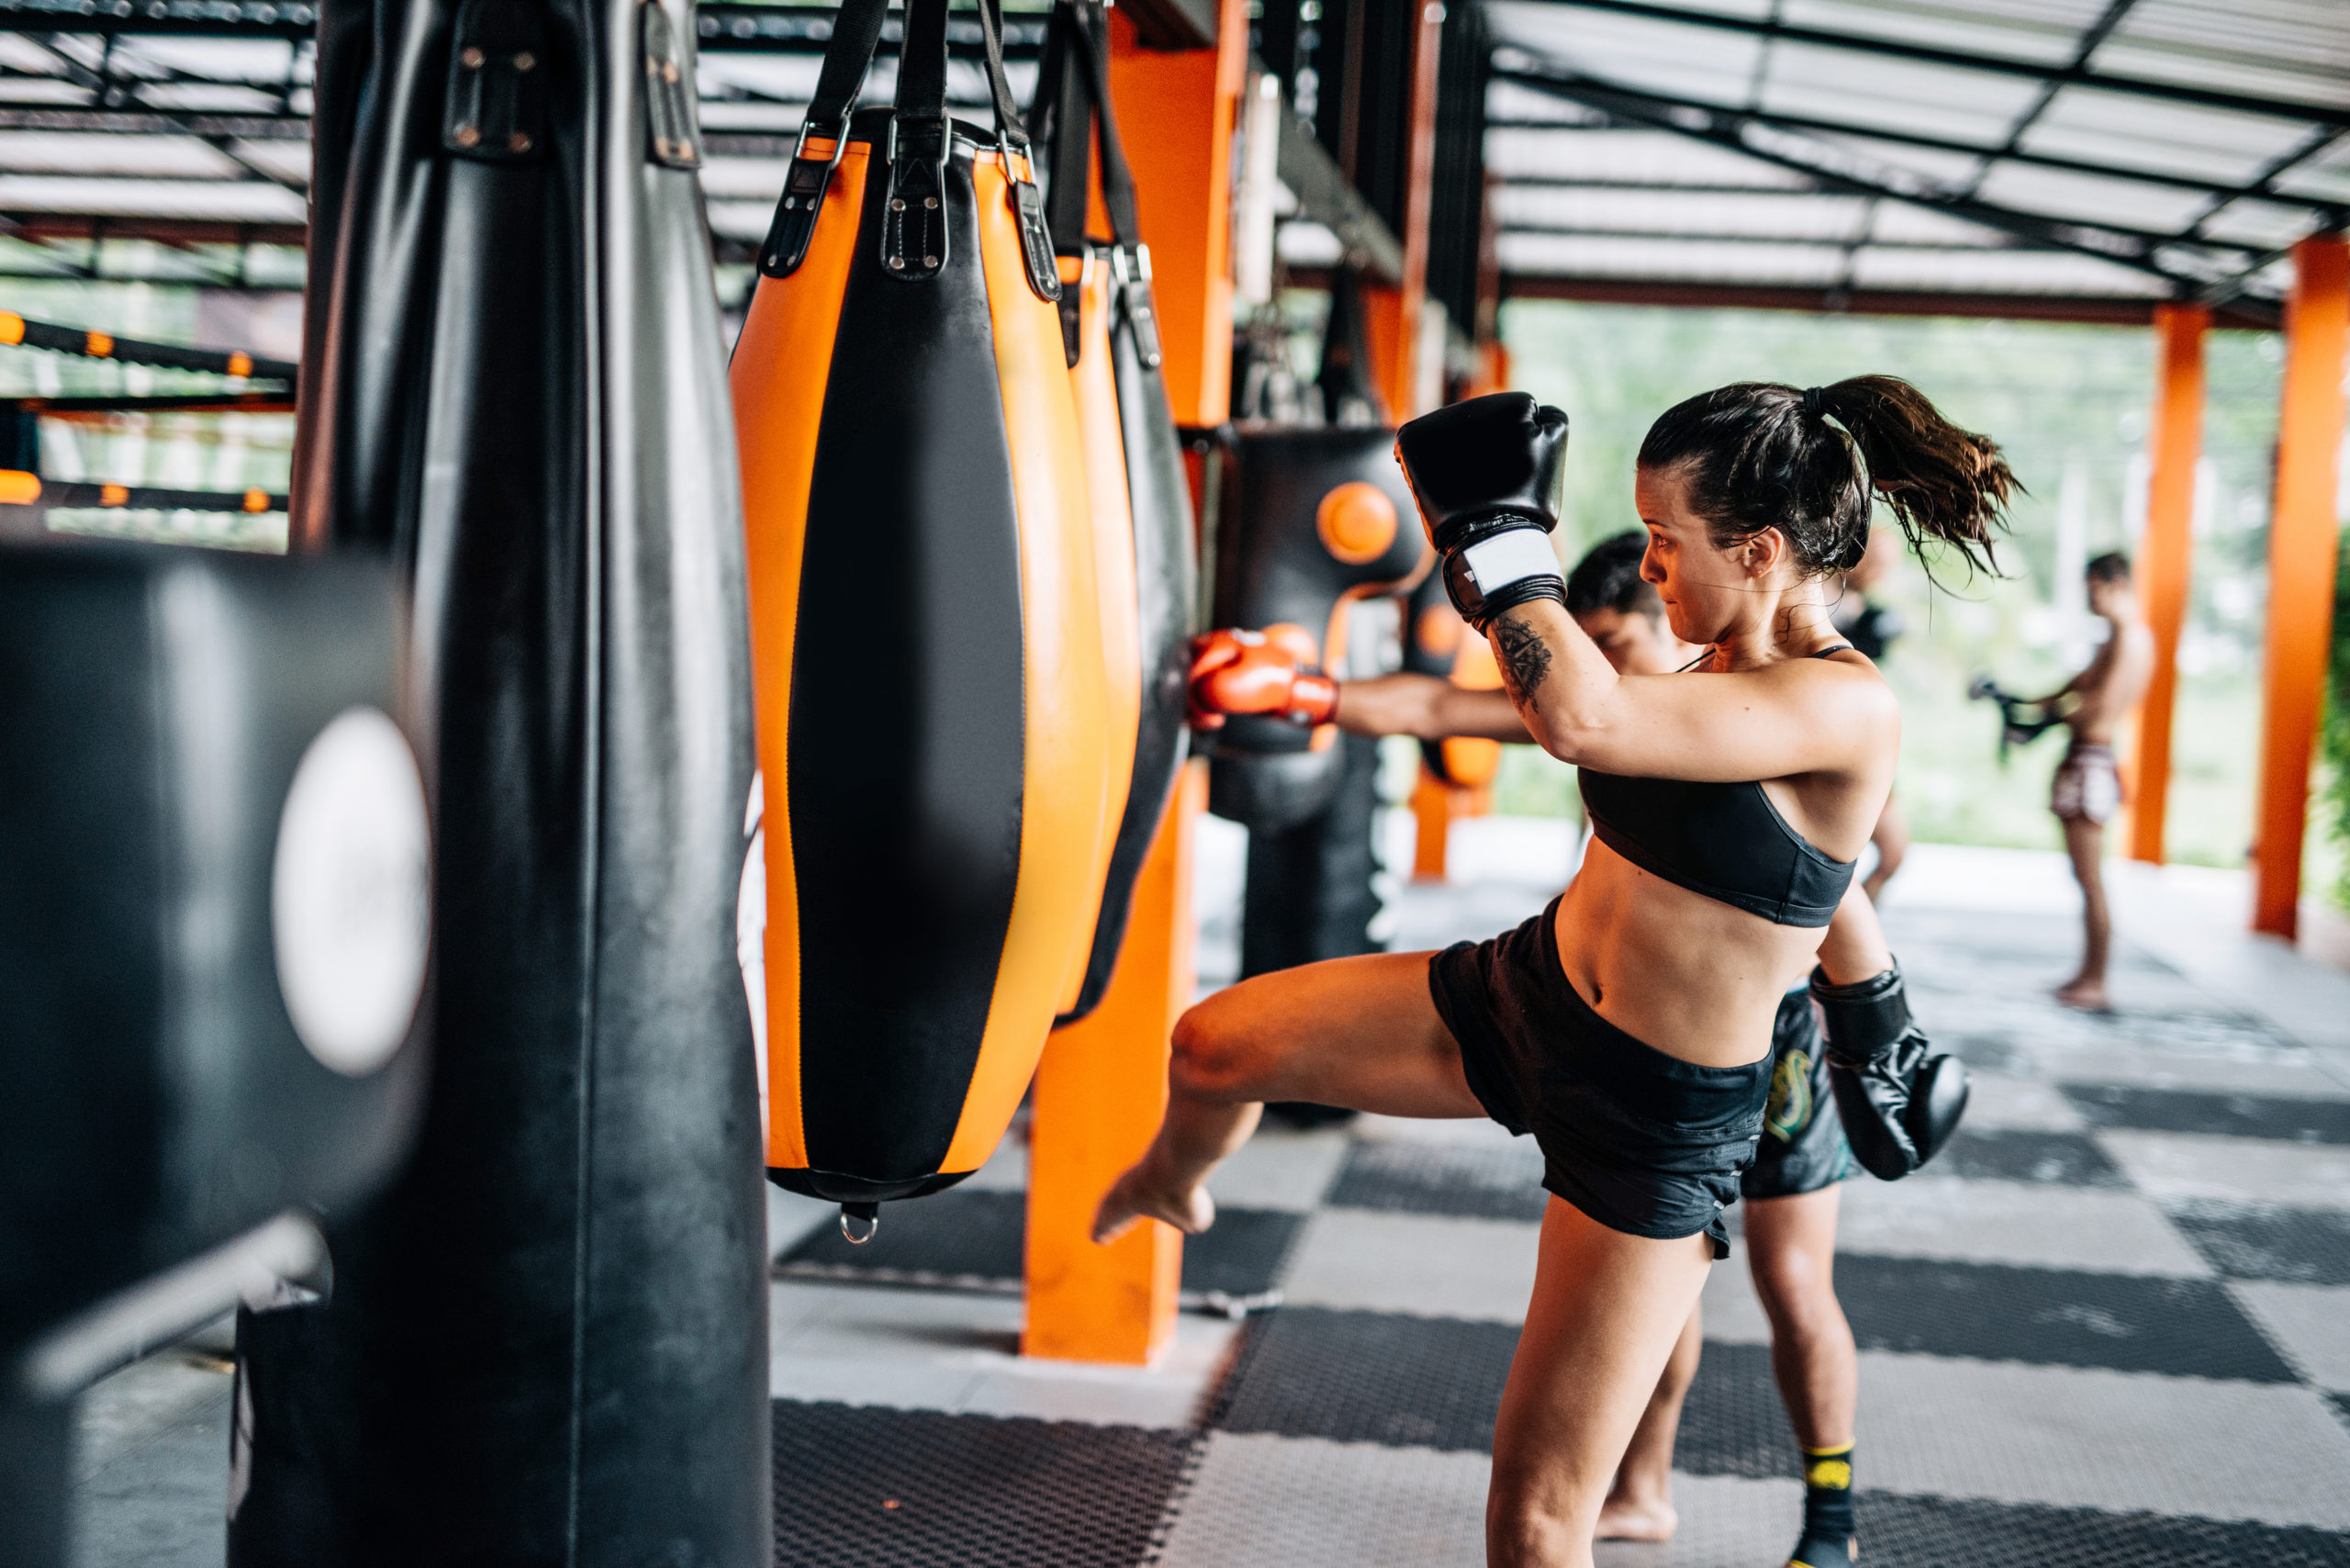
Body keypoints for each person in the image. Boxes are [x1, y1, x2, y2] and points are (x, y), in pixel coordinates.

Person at [1102, 381, 1996, 1568]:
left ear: (1765, 551)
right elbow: (1494, 704)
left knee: (1534, 1527)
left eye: (1669, 543)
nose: (1652, 567)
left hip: (1652, 1117)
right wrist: (1317, 692)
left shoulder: (1841, 706)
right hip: (1524, 995)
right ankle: (1175, 1185)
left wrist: (1500, 539)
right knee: (1216, 1042)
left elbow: (1588, 728)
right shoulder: (1688, 679)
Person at [1194, 531, 1873, 1564]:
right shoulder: (1633, 699)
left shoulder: (1800, 709)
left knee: (1790, 1284)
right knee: (1651, 1304)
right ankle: (1641, 1486)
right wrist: (1302, 691)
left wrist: (1877, 1023)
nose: (1588, 652)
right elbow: (1440, 708)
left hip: (1754, 1054)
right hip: (1583, 1021)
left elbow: (1853, 877)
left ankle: (1831, 1520)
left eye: (1660, 557)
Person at [2032, 551, 2154, 1012]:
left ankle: (2097, 980)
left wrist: (2042, 720)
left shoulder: (2129, 636)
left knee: (2090, 878)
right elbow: (2073, 687)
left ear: (2112, 583)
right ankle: (2088, 974)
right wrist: (2025, 704)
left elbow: (2097, 707)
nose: (2088, 597)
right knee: (2084, 877)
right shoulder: (2118, 638)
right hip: (2087, 760)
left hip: (2092, 762)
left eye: (2091, 587)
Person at [1835, 531, 1909, 902]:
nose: (1882, 573)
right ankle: (1828, 952)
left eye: (1888, 567)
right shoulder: (1818, 602)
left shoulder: (1870, 610)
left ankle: (1841, 945)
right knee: (1832, 862)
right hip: (1828, 745)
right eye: (1878, 562)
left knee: (1894, 853)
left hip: (1867, 744)